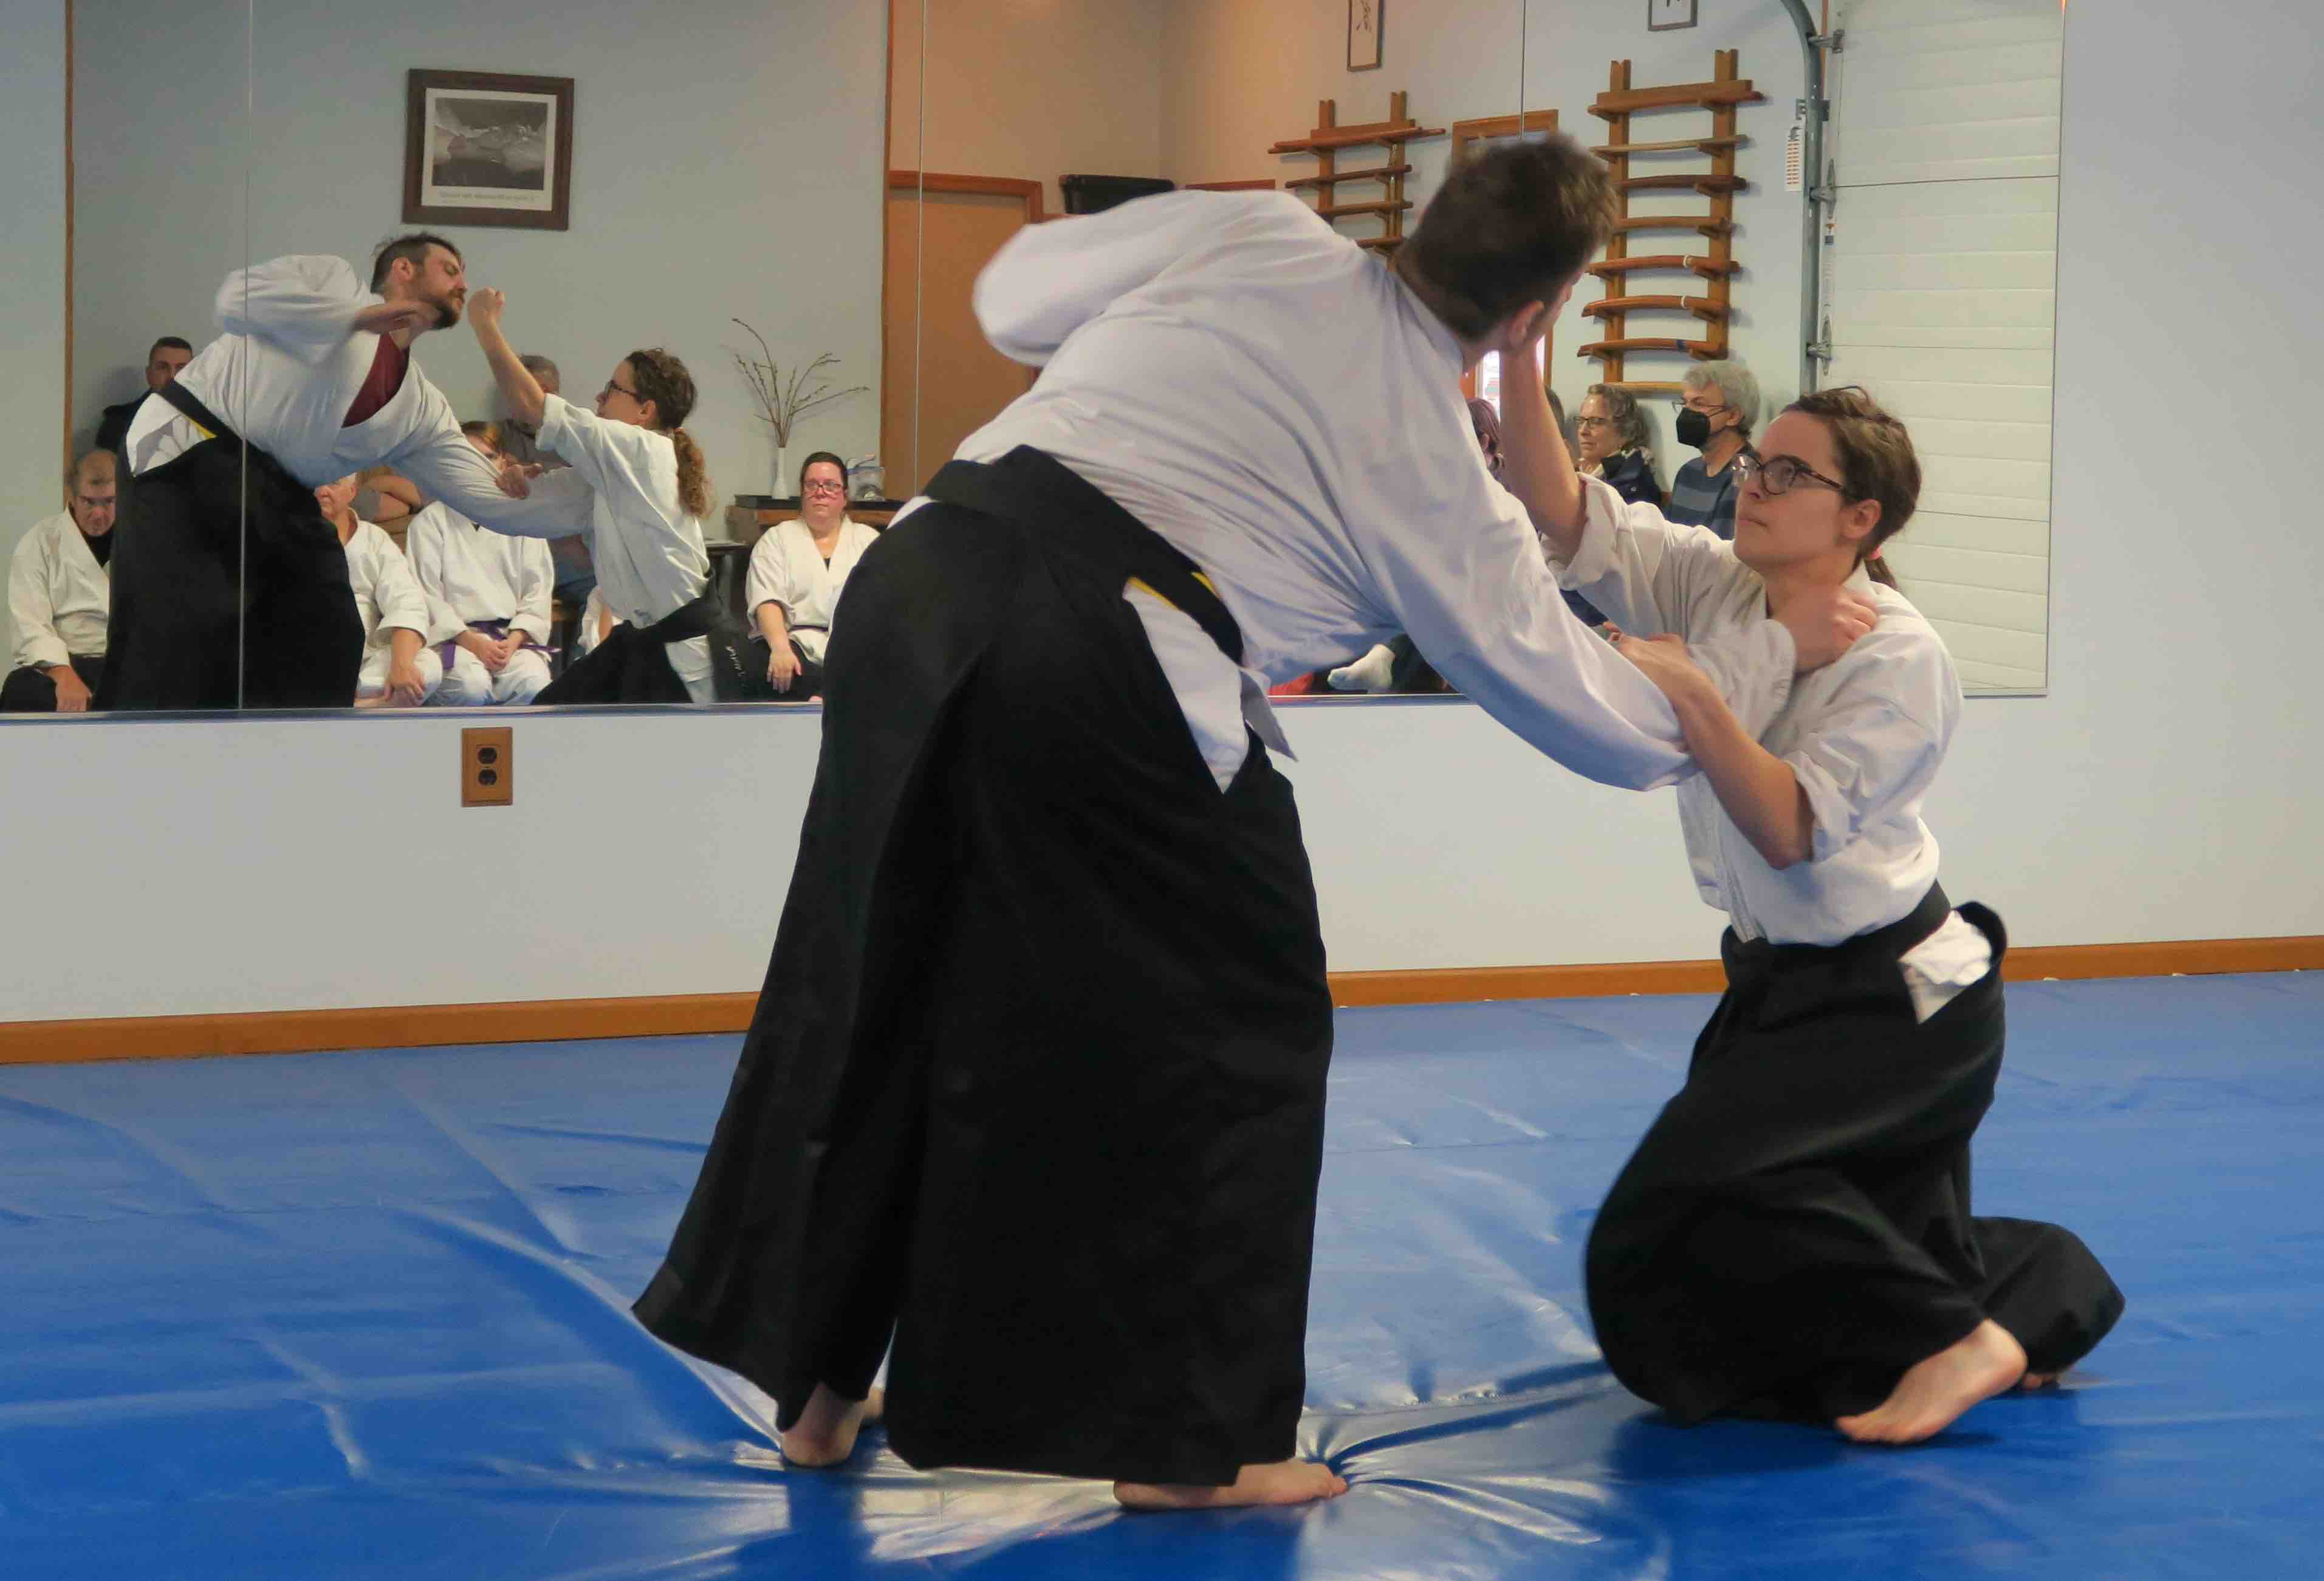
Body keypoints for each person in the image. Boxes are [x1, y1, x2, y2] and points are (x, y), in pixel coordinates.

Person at [631, 137, 1873, 1511]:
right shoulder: (1430, 458)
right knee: (1242, 1022)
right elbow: (1581, 711)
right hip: (1095, 642)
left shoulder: (1264, 234)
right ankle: (1193, 1443)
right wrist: (1724, 676)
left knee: (885, 968)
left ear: (1423, 217)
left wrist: (1150, 367)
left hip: (920, 570)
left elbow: (1015, 297)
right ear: (1538, 312)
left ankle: (815, 1392)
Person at [1532, 386, 2123, 1444]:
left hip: (1903, 996)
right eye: (1760, 462)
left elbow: (1787, 830)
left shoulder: (1899, 656)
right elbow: (1562, 509)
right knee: (1708, 1275)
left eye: (1791, 473)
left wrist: (1694, 689)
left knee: (1678, 1205)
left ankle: (1958, 1337)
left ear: (1861, 518)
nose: (1755, 483)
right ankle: (2039, 1293)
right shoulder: (1715, 582)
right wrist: (1513, 338)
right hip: (1784, 982)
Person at [99, 234, 583, 711]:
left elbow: (490, 500)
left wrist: (574, 492)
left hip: (277, 489)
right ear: (403, 269)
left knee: (329, 625)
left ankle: (296, 744)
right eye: (450, 270)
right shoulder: (331, 283)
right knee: (183, 629)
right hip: (188, 448)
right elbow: (234, 301)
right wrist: (355, 319)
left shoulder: (418, 408)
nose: (463, 284)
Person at [464, 289, 730, 703]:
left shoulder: (643, 452)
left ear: (645, 411)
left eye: (612, 389)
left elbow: (534, 406)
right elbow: (512, 510)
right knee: (550, 713)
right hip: (643, 641)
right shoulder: (610, 475)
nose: (599, 398)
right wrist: (521, 481)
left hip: (681, 663)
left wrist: (486, 327)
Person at [406, 421, 556, 706]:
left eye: (488, 457)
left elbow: (538, 591)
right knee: (470, 688)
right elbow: (426, 594)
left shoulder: (523, 519)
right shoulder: (430, 523)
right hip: (455, 640)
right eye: (468, 457)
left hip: (511, 640)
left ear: (503, 463)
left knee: (534, 685)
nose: (478, 466)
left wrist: (514, 640)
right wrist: (470, 641)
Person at [744, 451, 879, 696]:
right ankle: (826, 696)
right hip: (792, 645)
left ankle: (824, 696)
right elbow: (767, 599)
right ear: (802, 492)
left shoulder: (869, 541)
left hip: (852, 650)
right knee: (769, 667)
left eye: (831, 486)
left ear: (845, 496)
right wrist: (780, 648)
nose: (821, 492)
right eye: (812, 485)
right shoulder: (777, 539)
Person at [314, 473, 447, 708]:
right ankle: (376, 704)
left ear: (352, 492)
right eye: (316, 484)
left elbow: (405, 601)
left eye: (333, 483)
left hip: (368, 659)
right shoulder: (291, 537)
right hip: (316, 652)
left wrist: (401, 665)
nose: (323, 491)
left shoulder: (374, 539)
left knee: (429, 666)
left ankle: (354, 703)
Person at [4, 451, 117, 713]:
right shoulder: (41, 542)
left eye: (109, 502)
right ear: (72, 496)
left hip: (121, 666)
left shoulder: (139, 544)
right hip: (64, 663)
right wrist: (63, 674)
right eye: (88, 502)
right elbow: (30, 624)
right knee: (19, 690)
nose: (99, 514)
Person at [497, 354, 597, 611]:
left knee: (606, 592)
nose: (510, 399)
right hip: (522, 551)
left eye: (517, 390)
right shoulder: (496, 436)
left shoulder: (576, 438)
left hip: (576, 550)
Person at [1662, 359, 1757, 540]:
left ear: (1733, 416)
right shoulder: (1688, 472)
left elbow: (1725, 552)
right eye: (1684, 403)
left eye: (1698, 404)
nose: (1686, 412)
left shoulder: (1748, 476)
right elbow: (1666, 540)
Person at [92, 337, 193, 459]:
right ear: (149, 375)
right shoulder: (117, 425)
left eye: (181, 368)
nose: (172, 376)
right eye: (163, 367)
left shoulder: (210, 423)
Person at [1575, 383, 1661, 507]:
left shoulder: (1634, 483)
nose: (1583, 431)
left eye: (1596, 422)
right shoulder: (1577, 468)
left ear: (1625, 432)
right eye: (1581, 421)